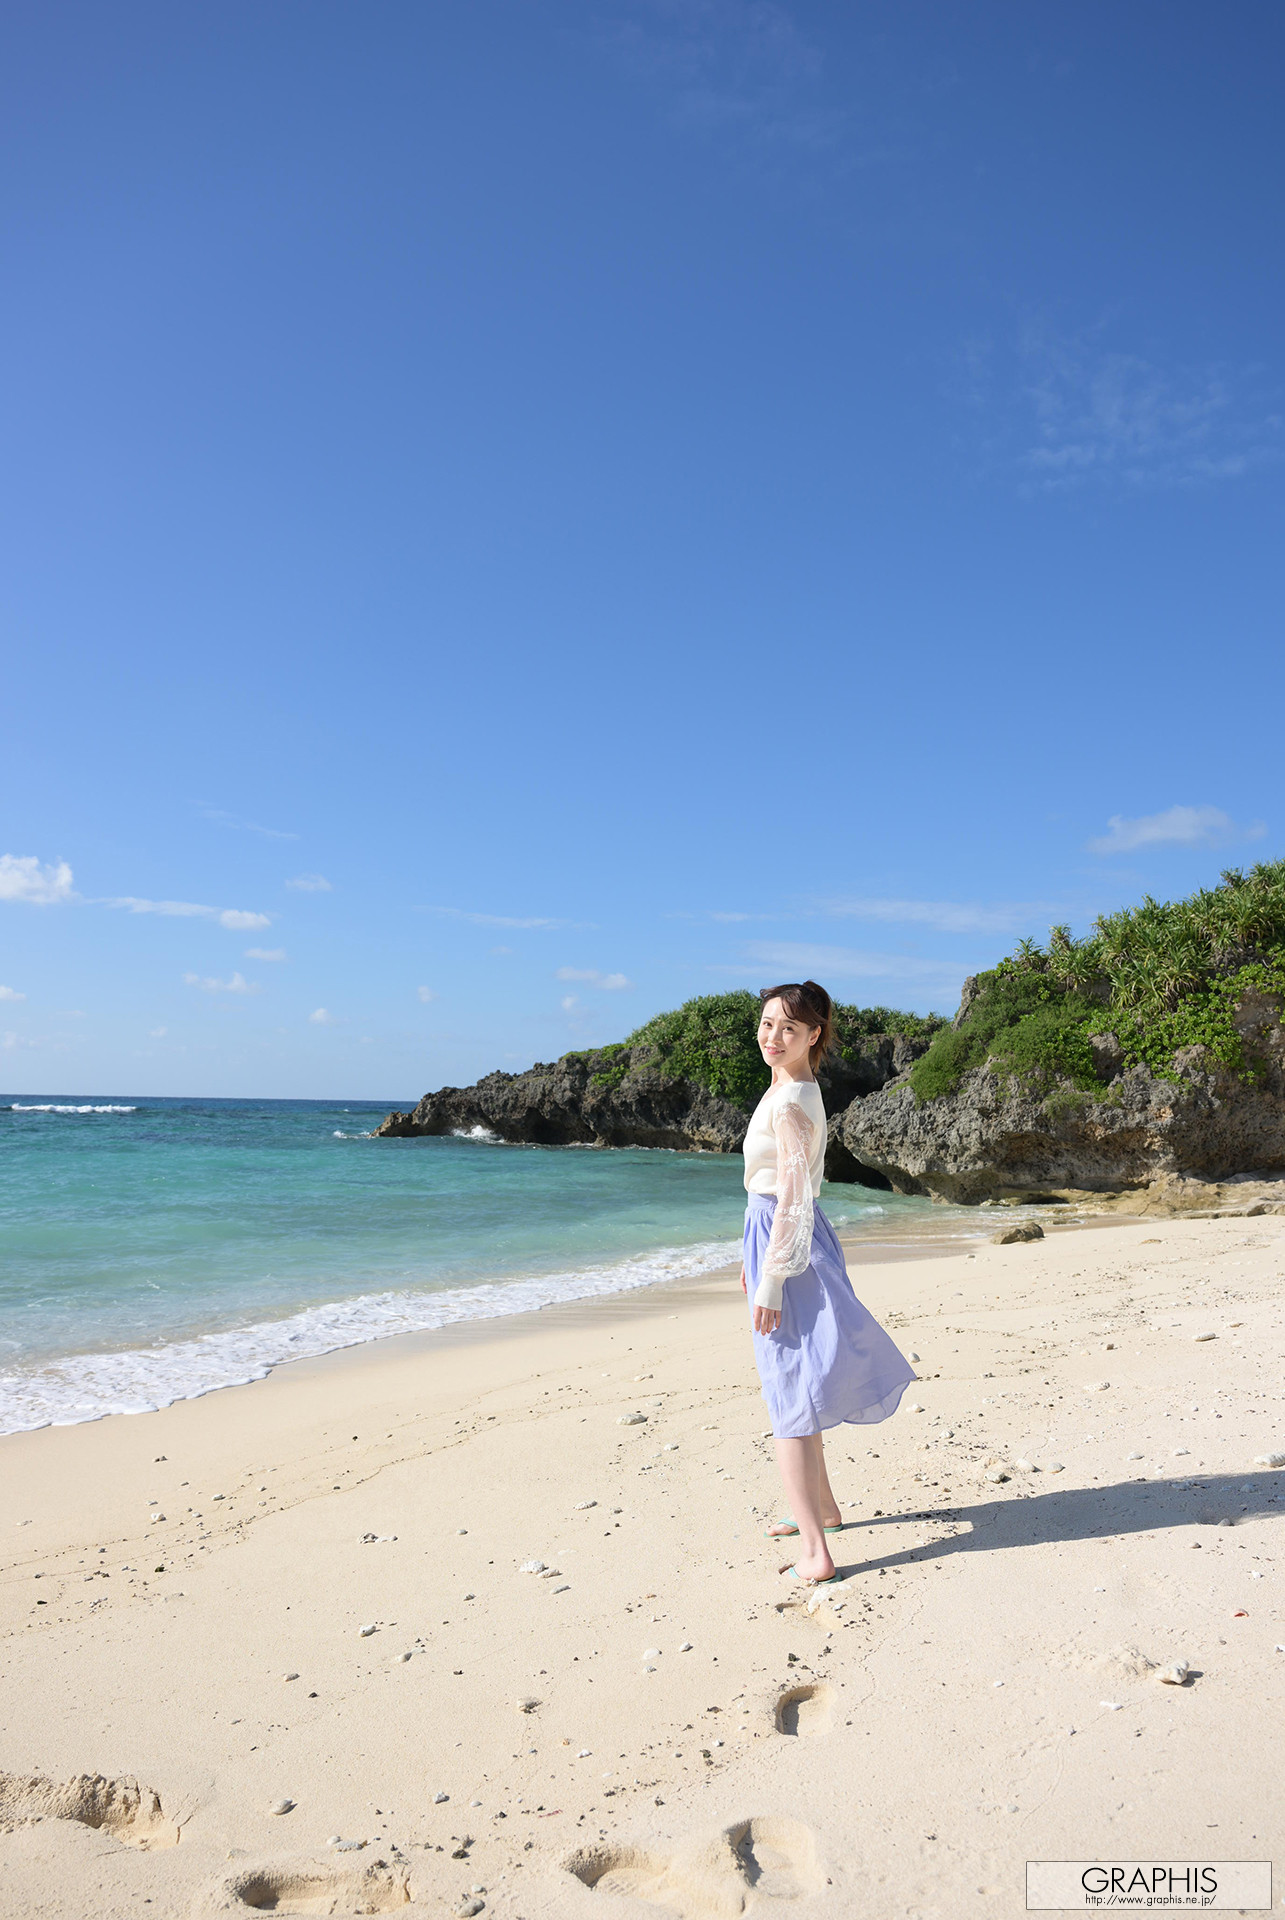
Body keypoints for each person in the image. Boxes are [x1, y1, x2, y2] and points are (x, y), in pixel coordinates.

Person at [741, 981, 916, 1584]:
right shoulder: (789, 1087)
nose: (773, 1036)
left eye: (789, 1028)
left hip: (788, 1239)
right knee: (797, 1380)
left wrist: (771, 1278)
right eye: (768, 1023)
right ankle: (823, 1510)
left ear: (813, 1035)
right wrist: (754, 1259)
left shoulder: (791, 1100)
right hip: (779, 1235)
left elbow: (793, 1196)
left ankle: (816, 1554)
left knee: (788, 1395)